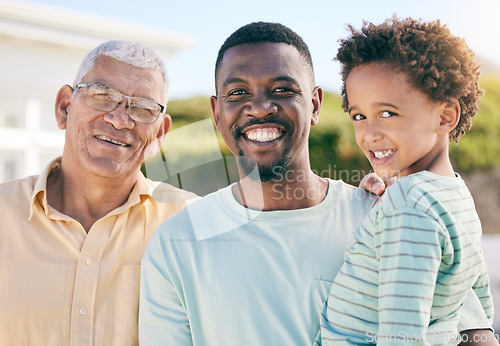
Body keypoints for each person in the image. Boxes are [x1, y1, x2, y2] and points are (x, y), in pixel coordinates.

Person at [139, 22, 492, 345]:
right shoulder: (175, 244)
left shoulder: (384, 214)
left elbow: (474, 331)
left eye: (281, 89)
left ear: (314, 105)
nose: (259, 107)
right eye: (237, 93)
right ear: (217, 115)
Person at [0, 40, 198, 345]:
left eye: (143, 108)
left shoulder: (193, 227)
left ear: (159, 134)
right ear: (64, 107)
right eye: (102, 96)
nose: (119, 119)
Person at [320, 17, 494, 345]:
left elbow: (401, 335)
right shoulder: (457, 196)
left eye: (388, 113)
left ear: (445, 116)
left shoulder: (409, 204)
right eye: (359, 116)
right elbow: (480, 306)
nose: (369, 133)